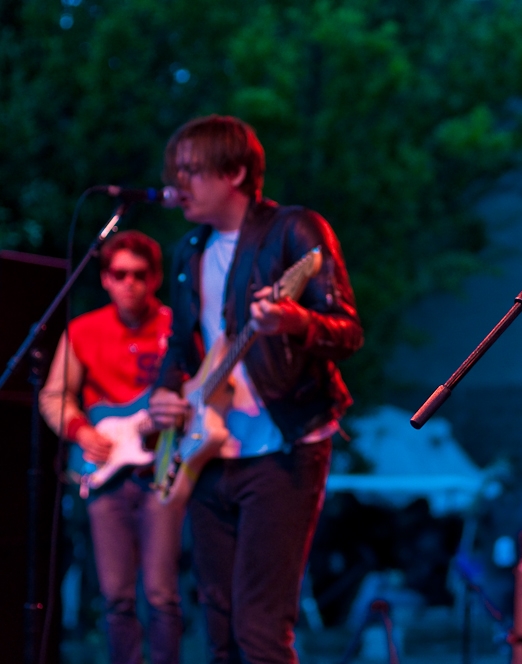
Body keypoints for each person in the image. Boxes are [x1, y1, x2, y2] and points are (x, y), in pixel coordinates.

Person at [148, 114, 363, 662]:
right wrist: (166, 393)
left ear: (237, 172)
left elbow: (347, 329)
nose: (178, 187)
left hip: (284, 447)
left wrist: (293, 322)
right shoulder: (188, 251)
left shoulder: (295, 231)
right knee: (218, 629)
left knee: (260, 629)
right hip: (209, 453)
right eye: (176, 172)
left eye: (193, 172)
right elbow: (180, 344)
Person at [39, 230, 182, 664]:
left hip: (163, 471)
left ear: (155, 277)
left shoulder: (178, 328)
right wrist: (81, 430)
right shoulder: (83, 331)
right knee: (115, 594)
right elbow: (54, 395)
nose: (129, 283)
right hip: (104, 473)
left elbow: (202, 390)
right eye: (119, 274)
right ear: (105, 278)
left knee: (160, 593)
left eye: (139, 274)